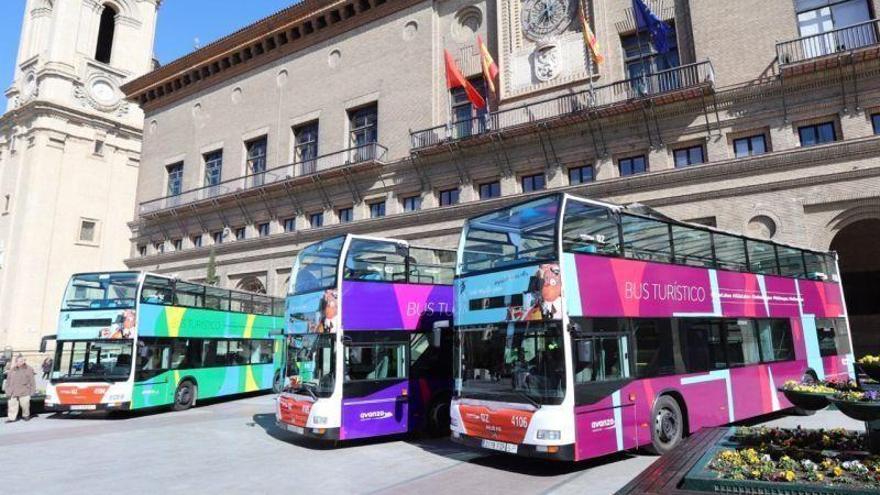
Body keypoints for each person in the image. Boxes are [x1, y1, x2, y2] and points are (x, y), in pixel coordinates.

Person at [6, 355, 36, 423]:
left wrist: (32, 392)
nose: (20, 362)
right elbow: (8, 381)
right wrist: (7, 390)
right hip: (12, 391)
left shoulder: (29, 369)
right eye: (18, 361)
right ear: (16, 362)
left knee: (25, 405)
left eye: (22, 361)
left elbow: (32, 382)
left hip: (24, 391)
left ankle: (26, 415)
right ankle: (11, 418)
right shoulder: (12, 369)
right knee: (12, 406)